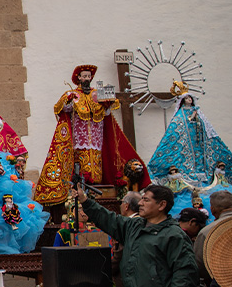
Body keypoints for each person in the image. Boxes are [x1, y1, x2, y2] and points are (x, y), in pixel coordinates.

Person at [36, 65, 151, 205]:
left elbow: (107, 114)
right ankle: (80, 190)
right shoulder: (71, 94)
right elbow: (62, 108)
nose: (86, 79)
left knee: (97, 167)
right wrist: (69, 101)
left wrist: (107, 105)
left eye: (89, 76)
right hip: (79, 140)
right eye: (84, 76)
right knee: (81, 170)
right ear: (78, 77)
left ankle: (96, 190)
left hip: (96, 140)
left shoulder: (97, 94)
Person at [74, 183, 196, 287]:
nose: (140, 203)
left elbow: (184, 275)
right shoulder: (134, 226)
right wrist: (85, 200)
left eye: (146, 200)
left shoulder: (174, 236)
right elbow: (108, 219)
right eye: (141, 199)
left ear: (162, 205)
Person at [149, 81, 232, 203]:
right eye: (187, 98)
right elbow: (174, 135)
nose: (189, 100)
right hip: (187, 153)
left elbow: (208, 132)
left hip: (200, 148)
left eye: (190, 98)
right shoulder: (179, 117)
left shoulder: (198, 113)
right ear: (183, 100)